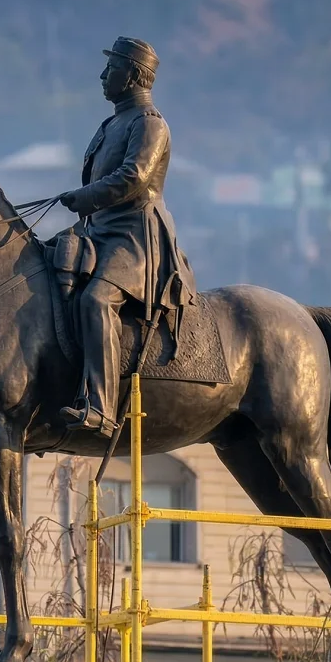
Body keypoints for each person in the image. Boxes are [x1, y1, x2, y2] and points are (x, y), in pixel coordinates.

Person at [58, 37, 196, 437]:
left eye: (111, 68)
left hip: (136, 236)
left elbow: (133, 177)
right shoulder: (114, 122)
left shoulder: (149, 123)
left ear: (133, 75)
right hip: (99, 230)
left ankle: (100, 409)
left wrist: (85, 196)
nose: (103, 76)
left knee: (96, 299)